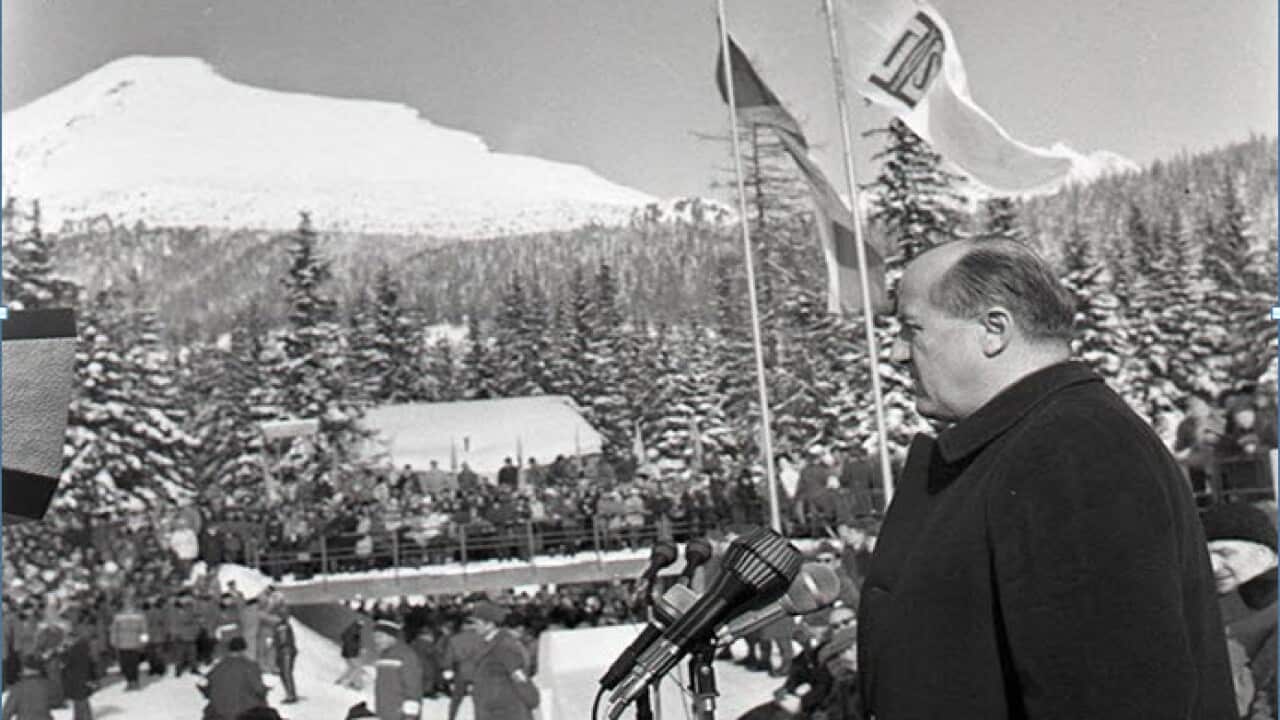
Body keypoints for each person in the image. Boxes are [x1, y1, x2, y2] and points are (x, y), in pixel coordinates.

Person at [857, 239, 1236, 719]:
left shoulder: (1072, 449)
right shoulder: (1029, 442)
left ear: (993, 329)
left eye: (912, 329)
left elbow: (1110, 697)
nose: (895, 353)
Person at [1201, 503, 1277, 719]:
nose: (1213, 566)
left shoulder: (1267, 609)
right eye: (1205, 555)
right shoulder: (1211, 606)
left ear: (1263, 553)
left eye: (1225, 553)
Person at [466, 601, 539, 720]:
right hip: (492, 712)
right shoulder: (486, 644)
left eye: (476, 623)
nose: (473, 627)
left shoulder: (505, 646)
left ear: (490, 624)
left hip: (508, 713)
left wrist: (532, 700)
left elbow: (519, 677)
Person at [199, 636, 270, 720]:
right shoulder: (250, 666)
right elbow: (259, 689)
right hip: (244, 712)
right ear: (243, 649)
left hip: (219, 712)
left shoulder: (219, 666)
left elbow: (205, 686)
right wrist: (266, 690)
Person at [371, 620, 423, 720]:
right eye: (375, 637)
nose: (376, 640)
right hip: (384, 712)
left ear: (392, 637)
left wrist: (410, 715)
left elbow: (413, 686)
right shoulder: (383, 655)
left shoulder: (406, 655)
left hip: (400, 714)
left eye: (380, 636)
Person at [108, 597, 148, 691]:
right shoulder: (118, 616)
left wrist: (144, 642)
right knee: (125, 664)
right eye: (126, 604)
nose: (128, 606)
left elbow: (144, 630)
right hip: (123, 644)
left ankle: (134, 682)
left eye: (130, 603)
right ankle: (129, 681)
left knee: (133, 663)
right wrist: (113, 641)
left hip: (135, 643)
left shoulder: (140, 615)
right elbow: (114, 630)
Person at [2, 655, 54, 720]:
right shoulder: (47, 685)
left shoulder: (18, 687)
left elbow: (7, 712)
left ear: (26, 669)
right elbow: (57, 700)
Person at [268, 606, 299, 704]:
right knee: (286, 673)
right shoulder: (284, 625)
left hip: (285, 652)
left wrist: (273, 645)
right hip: (287, 651)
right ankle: (291, 693)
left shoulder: (281, 626)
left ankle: (291, 695)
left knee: (285, 673)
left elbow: (282, 640)